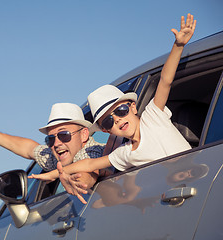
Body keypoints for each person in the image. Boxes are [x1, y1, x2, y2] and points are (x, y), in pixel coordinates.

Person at [29, 14, 196, 194]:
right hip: (174, 195)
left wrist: (178, 46)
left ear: (133, 107)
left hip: (196, 181)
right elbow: (89, 163)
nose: (116, 120)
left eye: (121, 110)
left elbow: (165, 80)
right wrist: (53, 174)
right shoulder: (123, 153)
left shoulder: (153, 117)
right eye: (108, 121)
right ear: (106, 131)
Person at [0, 102, 107, 203]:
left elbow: (89, 171)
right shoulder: (57, 157)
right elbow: (29, 149)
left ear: (84, 135)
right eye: (50, 138)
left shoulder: (91, 150)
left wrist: (77, 181)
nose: (57, 143)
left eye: (64, 134)